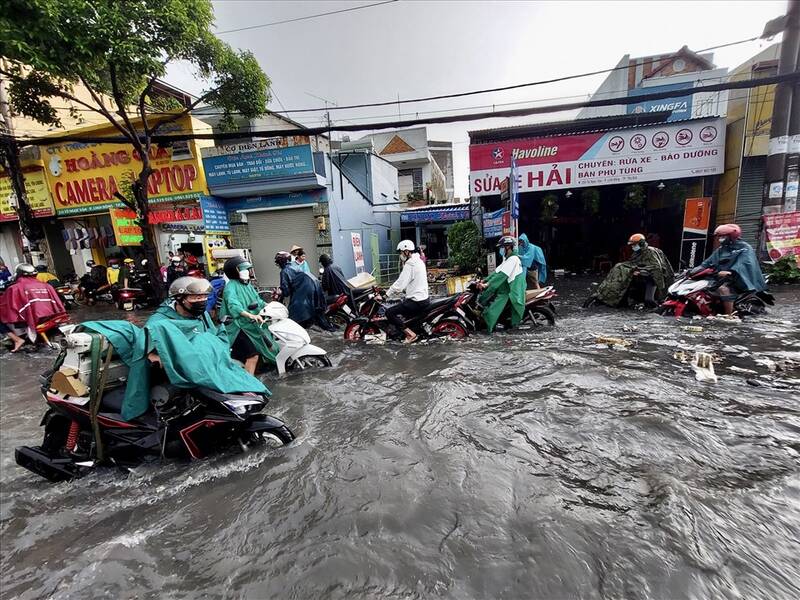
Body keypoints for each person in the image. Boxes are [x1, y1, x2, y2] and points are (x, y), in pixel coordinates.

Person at [83, 275, 268, 422]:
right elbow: (148, 343)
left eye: (204, 296)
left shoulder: (200, 314)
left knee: (237, 373)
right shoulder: (160, 321)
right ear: (180, 299)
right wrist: (156, 355)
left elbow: (211, 336)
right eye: (196, 297)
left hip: (205, 362)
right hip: (182, 371)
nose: (202, 300)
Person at [218, 256, 279, 374]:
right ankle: (249, 386)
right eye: (243, 270)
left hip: (250, 324)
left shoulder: (247, 285)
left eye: (247, 269)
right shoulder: (230, 287)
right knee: (253, 355)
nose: (247, 272)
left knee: (266, 345)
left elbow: (258, 301)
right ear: (235, 271)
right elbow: (234, 306)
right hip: (237, 327)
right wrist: (251, 315)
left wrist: (272, 307)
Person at [696, 223, 766, 315]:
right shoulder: (722, 249)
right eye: (719, 236)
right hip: (718, 276)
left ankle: (728, 315)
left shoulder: (745, 248)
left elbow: (743, 263)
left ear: (731, 236)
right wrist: (697, 269)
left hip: (737, 278)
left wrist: (732, 272)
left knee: (723, 289)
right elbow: (708, 262)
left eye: (722, 236)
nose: (720, 238)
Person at [593, 233, 674, 308]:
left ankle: (658, 309)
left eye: (634, 245)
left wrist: (640, 271)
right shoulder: (637, 252)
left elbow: (656, 268)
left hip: (653, 278)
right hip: (642, 277)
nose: (632, 247)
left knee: (649, 300)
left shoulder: (650, 252)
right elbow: (632, 263)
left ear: (641, 243)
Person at [0, 263, 65, 347]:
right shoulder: (47, 285)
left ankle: (17, 340)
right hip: (50, 316)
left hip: (30, 318)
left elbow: (7, 305)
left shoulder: (14, 288)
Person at [383, 240, 430, 343]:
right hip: (423, 298)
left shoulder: (410, 264)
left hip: (416, 301)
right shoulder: (419, 261)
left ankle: (410, 334)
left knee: (389, 312)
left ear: (407, 251)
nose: (401, 255)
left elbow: (400, 284)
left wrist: (385, 295)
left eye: (401, 252)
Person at [277, 251, 336, 331]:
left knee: (294, 315)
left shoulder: (284, 271)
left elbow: (286, 291)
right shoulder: (295, 267)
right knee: (317, 312)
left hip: (306, 290)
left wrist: (279, 292)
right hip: (315, 286)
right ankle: (331, 330)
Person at [477, 236, 526, 332]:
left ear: (507, 247)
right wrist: (484, 280)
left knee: (492, 310)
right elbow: (497, 272)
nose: (501, 250)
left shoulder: (513, 259)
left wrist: (487, 285)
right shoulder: (507, 259)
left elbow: (502, 276)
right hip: (506, 287)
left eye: (502, 247)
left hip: (511, 290)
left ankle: (489, 328)